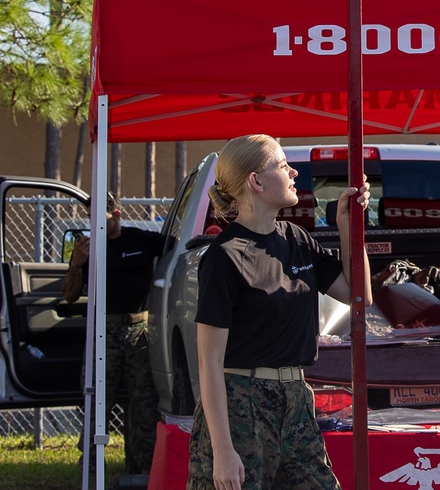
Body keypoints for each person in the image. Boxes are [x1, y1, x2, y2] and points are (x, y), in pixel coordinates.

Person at [186, 134, 372, 490]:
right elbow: (209, 361)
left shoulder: (297, 240)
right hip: (241, 404)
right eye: (282, 165)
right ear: (255, 181)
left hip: (297, 400)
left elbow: (359, 295)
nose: (293, 172)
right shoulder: (224, 257)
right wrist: (223, 450)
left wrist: (349, 226)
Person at [63, 191, 165, 474]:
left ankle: (141, 470)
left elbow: (176, 252)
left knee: (144, 405)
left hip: (139, 331)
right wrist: (77, 264)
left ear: (116, 215)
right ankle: (91, 468)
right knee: (97, 401)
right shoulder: (87, 248)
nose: (94, 223)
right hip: (104, 332)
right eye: (90, 218)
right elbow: (70, 296)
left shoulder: (141, 240)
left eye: (101, 218)